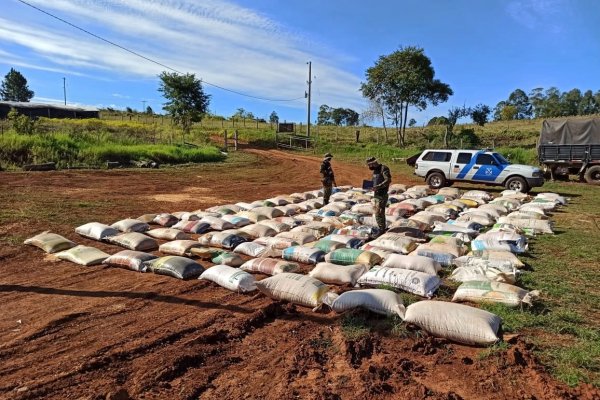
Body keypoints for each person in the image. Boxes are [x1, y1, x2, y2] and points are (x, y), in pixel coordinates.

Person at [366, 156, 391, 234]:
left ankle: (381, 229)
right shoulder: (375, 170)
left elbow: (388, 180)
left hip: (382, 194)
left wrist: (378, 186)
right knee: (379, 212)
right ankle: (382, 227)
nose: (369, 167)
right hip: (376, 194)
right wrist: (369, 185)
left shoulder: (384, 168)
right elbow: (375, 180)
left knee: (379, 212)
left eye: (369, 165)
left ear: (373, 163)